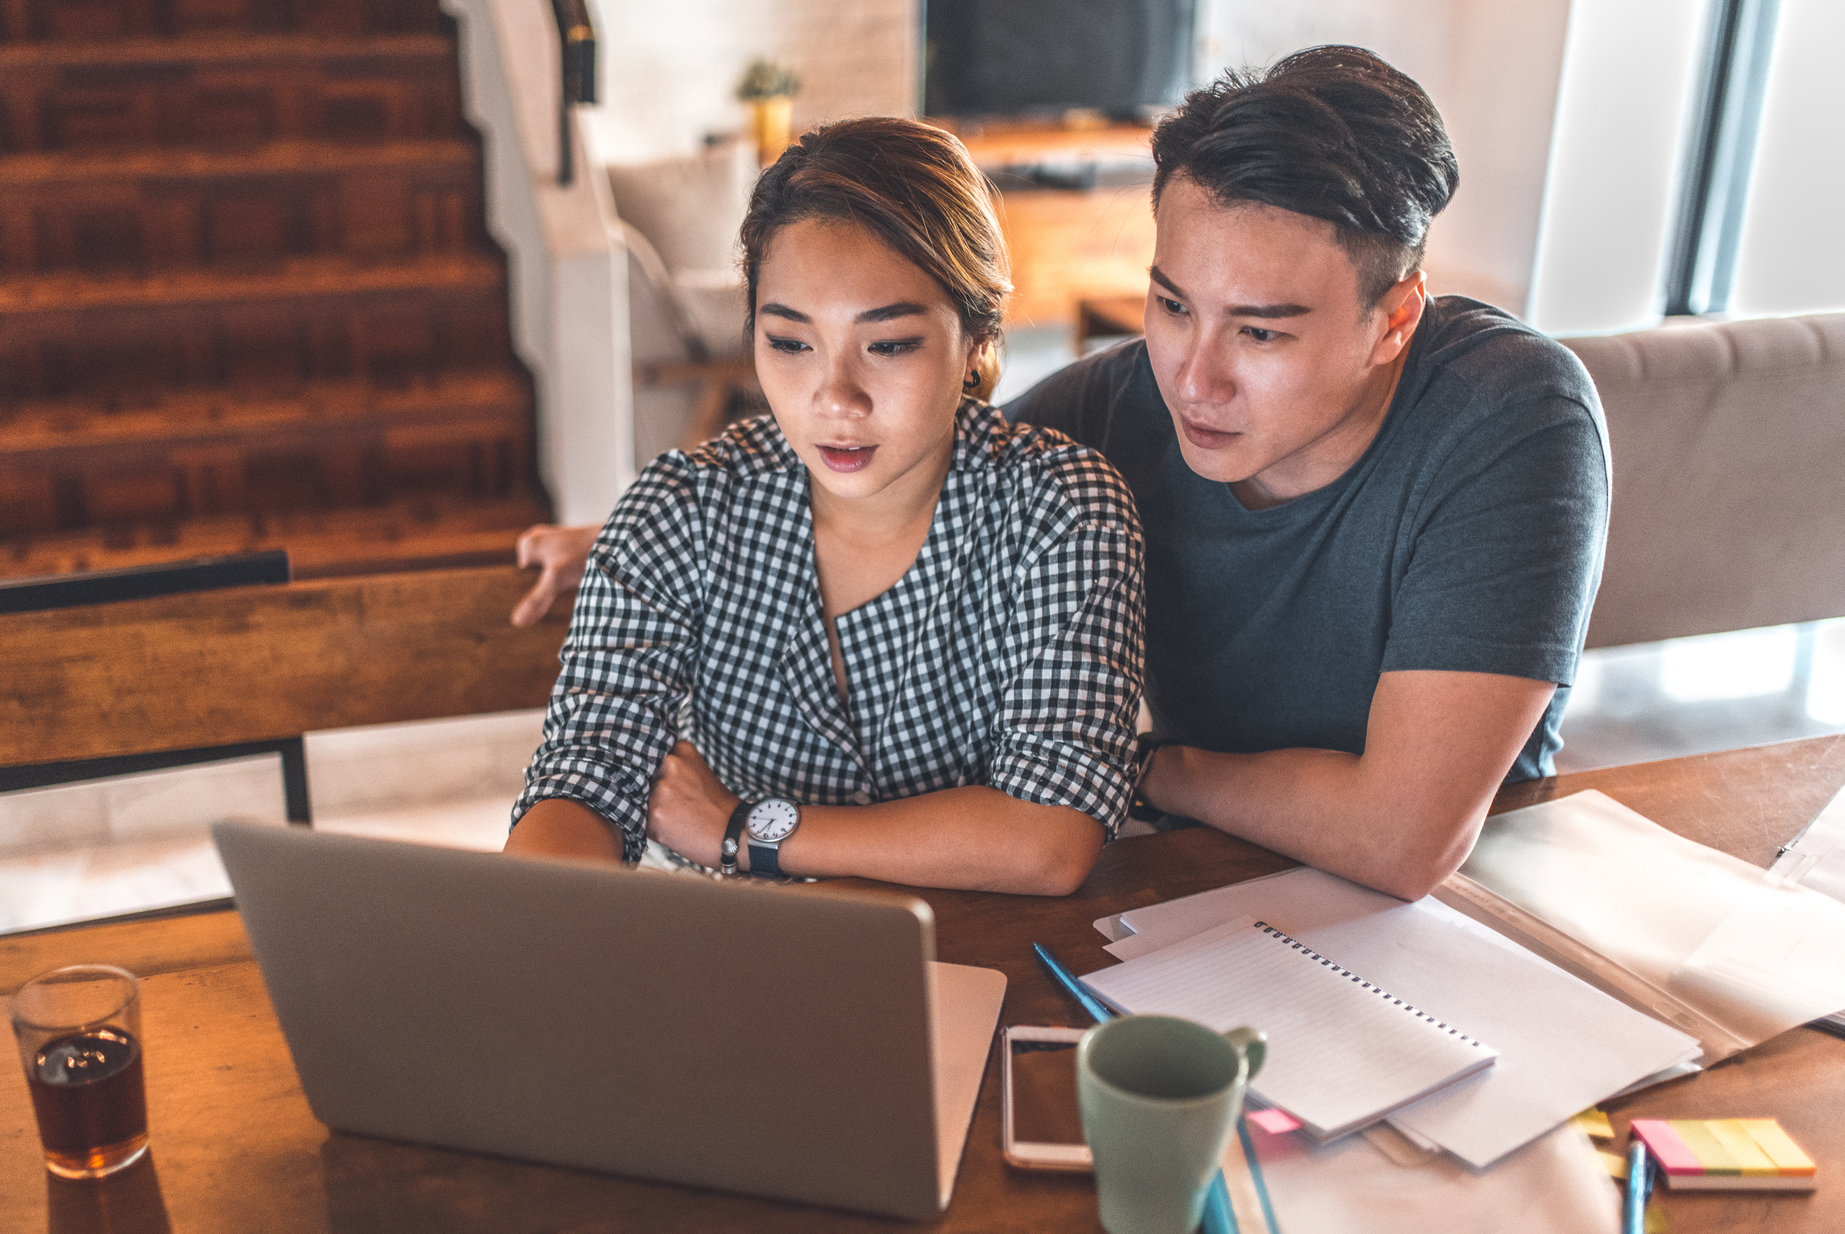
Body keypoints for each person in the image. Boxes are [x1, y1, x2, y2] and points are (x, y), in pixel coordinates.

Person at [513, 47, 1609, 903]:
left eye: (1261, 334)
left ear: (1392, 321)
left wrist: (1138, 770)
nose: (1194, 377)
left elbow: (1402, 838)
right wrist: (627, 533)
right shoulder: (1115, 407)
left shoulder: (1508, 413)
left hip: (1461, 914)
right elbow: (894, 459)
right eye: (1172, 303)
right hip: (1189, 890)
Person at [504, 118, 1145, 896]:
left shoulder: (1061, 512)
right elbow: (586, 775)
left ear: (977, 334)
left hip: (986, 953)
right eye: (790, 342)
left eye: (889, 344)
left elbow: (1048, 836)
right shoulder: (678, 511)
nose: (834, 398)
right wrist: (531, 926)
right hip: (746, 960)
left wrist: (744, 830)